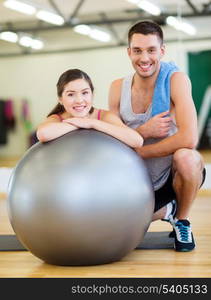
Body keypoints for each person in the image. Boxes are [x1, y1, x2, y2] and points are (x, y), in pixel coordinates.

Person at [108, 21, 206, 252]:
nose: (144, 58)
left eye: (151, 50)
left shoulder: (176, 80)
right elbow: (112, 140)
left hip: (169, 176)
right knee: (113, 227)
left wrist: (139, 150)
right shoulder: (116, 88)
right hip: (135, 181)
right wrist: (144, 132)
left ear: (162, 51)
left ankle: (182, 220)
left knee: (187, 157)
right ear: (129, 52)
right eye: (138, 50)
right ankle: (167, 210)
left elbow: (190, 138)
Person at [36, 68, 143, 151]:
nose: (79, 100)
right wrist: (79, 123)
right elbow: (43, 134)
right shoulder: (57, 118)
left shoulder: (104, 116)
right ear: (60, 99)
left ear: (92, 94)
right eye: (71, 94)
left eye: (85, 93)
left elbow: (137, 141)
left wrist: (92, 123)